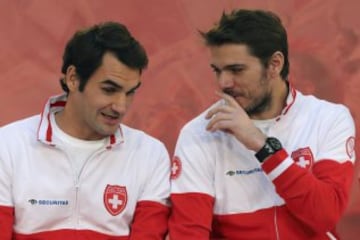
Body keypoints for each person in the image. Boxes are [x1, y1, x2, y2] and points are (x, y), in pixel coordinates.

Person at [169, 9, 356, 239]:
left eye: (237, 70)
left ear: (275, 64)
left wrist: (262, 146)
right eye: (217, 71)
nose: (223, 82)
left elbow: (324, 215)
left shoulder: (329, 118)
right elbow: (188, 234)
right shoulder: (198, 133)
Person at [0, 22, 170, 240]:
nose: (121, 106)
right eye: (109, 90)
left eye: (130, 93)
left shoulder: (150, 154)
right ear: (73, 78)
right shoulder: (7, 146)